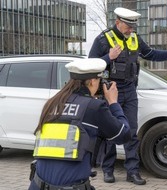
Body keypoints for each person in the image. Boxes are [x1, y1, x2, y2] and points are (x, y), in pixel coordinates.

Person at [88, 7, 167, 185]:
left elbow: (151, 54)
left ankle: (132, 172)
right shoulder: (103, 40)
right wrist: (108, 57)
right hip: (111, 90)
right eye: (128, 26)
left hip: (129, 91)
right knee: (110, 132)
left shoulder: (135, 38)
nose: (131, 30)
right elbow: (91, 64)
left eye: (133, 27)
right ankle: (108, 170)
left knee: (131, 132)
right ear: (117, 22)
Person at [28, 58, 131, 190]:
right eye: (100, 81)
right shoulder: (94, 107)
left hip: (38, 185)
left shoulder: (52, 103)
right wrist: (113, 103)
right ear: (93, 81)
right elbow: (123, 134)